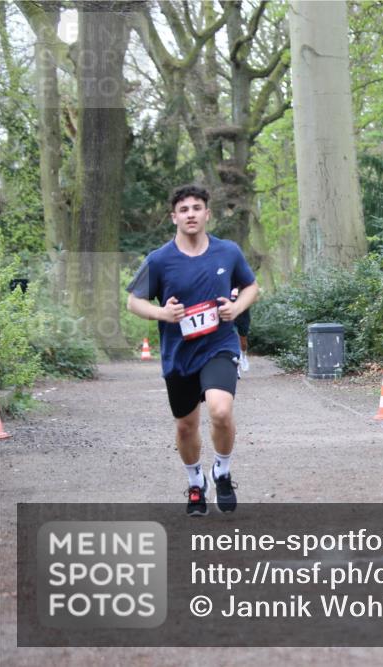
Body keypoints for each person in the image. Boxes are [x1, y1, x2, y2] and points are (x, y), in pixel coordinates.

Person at [126, 185, 258, 516]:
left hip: (219, 345)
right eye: (183, 210)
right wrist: (162, 313)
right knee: (186, 425)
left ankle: (222, 472)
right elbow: (133, 302)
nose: (190, 214)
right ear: (174, 217)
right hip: (179, 353)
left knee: (220, 411)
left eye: (196, 208)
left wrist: (236, 308)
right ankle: (196, 481)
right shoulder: (159, 260)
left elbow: (251, 286)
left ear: (207, 214)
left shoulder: (228, 252)